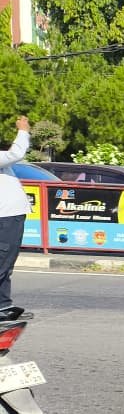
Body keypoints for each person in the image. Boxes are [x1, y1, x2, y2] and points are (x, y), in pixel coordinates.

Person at [0, 115, 30, 320]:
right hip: (6, 215)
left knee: (5, 263)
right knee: (3, 261)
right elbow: (16, 153)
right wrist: (23, 130)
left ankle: (2, 304)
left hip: (10, 213)